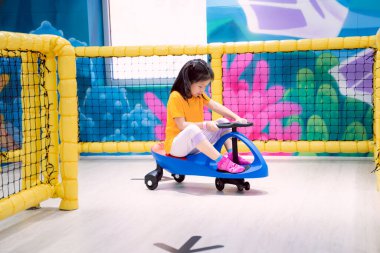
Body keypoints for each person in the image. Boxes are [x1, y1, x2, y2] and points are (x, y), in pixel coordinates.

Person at [164, 59, 250, 173]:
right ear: (188, 81)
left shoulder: (199, 95)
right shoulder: (176, 97)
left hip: (194, 145)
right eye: (200, 86)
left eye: (205, 86)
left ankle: (232, 155)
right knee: (192, 129)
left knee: (223, 122)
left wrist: (236, 117)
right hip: (176, 147)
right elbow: (181, 125)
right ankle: (221, 162)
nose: (203, 90)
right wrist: (205, 125)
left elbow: (215, 106)